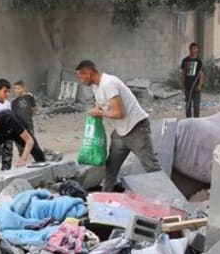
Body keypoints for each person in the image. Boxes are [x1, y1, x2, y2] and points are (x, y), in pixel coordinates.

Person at [76, 59, 161, 191]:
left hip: (136, 129)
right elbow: (100, 105)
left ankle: (168, 200)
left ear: (88, 73)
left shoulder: (108, 83)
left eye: (81, 77)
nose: (81, 81)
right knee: (110, 169)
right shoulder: (96, 86)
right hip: (120, 132)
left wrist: (100, 113)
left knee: (151, 167)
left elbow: (118, 113)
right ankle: (104, 203)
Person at [0, 110, 46, 179]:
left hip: (14, 132)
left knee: (36, 150)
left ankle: (44, 170)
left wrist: (23, 159)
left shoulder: (9, 119)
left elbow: (29, 140)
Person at [11, 80, 36, 155]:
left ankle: (31, 153)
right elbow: (14, 114)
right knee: (20, 140)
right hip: (19, 124)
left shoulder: (29, 96)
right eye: (15, 89)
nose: (16, 90)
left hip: (29, 123)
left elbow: (33, 108)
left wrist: (30, 117)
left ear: (23, 88)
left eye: (18, 88)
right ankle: (22, 154)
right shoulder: (14, 101)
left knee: (31, 139)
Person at [180, 42, 205, 118]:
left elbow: (201, 75)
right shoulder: (185, 60)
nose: (195, 50)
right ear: (190, 49)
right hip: (188, 87)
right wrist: (183, 86)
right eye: (193, 48)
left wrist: (200, 85)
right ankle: (189, 121)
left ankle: (196, 121)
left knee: (196, 106)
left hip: (196, 88)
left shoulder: (199, 61)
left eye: (196, 48)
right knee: (188, 105)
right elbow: (183, 74)